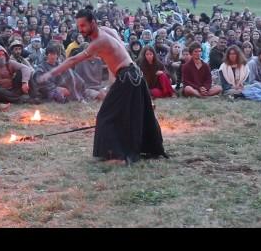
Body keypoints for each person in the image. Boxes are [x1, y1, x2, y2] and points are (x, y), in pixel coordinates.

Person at [37, 9, 167, 164]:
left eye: (84, 25)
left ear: (93, 23)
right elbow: (120, 50)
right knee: (133, 114)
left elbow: (72, 60)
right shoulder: (107, 30)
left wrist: (50, 74)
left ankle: (117, 156)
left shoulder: (99, 42)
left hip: (127, 78)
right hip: (134, 76)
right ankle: (132, 150)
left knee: (105, 117)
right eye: (79, 26)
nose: (81, 30)